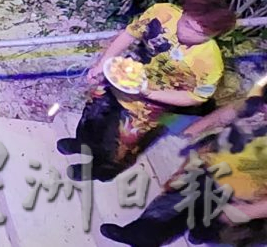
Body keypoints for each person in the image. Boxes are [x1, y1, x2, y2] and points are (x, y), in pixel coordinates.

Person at [57, 0, 235, 182]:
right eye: (187, 24)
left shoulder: (210, 63)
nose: (187, 33)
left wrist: (149, 92)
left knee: (122, 143)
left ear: (215, 35)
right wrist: (102, 63)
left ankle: (102, 170)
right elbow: (130, 33)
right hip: (123, 76)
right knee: (93, 115)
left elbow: (197, 97)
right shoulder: (162, 13)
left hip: (152, 102)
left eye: (200, 33)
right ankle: (83, 142)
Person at [99, 76, 267, 246]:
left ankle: (203, 232)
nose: (263, 108)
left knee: (219, 225)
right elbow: (231, 111)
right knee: (171, 202)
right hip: (210, 164)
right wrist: (199, 127)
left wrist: (250, 211)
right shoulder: (258, 99)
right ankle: (142, 234)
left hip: (244, 195)